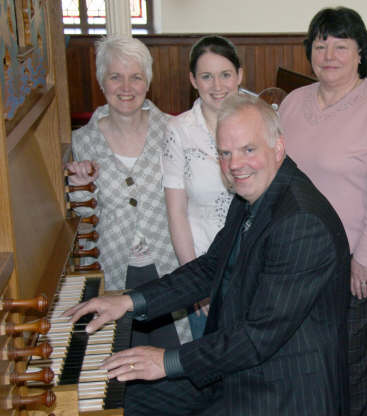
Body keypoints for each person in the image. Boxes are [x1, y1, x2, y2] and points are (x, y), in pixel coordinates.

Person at [65, 94, 351, 416]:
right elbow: (211, 267)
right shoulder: (253, 191)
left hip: (282, 389)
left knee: (137, 394)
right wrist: (130, 301)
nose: (235, 165)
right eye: (225, 153)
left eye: (248, 150)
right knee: (125, 398)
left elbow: (258, 337)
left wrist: (167, 360)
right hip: (238, 368)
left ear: (279, 147)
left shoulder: (301, 222)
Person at [278, 7, 367, 415]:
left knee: (353, 365)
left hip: (352, 263)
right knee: (302, 360)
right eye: (320, 45)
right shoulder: (294, 103)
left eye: (341, 46)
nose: (329, 55)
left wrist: (366, 261)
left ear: (360, 52)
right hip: (296, 260)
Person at [64, 35, 191, 414]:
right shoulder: (81, 142)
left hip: (168, 267)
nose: (126, 87)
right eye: (115, 77)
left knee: (175, 371)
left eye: (135, 77)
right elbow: (82, 220)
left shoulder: (174, 130)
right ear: (102, 82)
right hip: (115, 271)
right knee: (119, 380)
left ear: (148, 82)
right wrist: (77, 189)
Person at [162, 36, 241, 338]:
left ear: (240, 76)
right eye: (206, 76)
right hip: (203, 265)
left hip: (252, 264)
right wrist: (195, 282)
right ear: (193, 80)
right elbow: (177, 213)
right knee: (208, 364)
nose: (217, 86)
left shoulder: (258, 122)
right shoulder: (179, 131)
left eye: (225, 75)